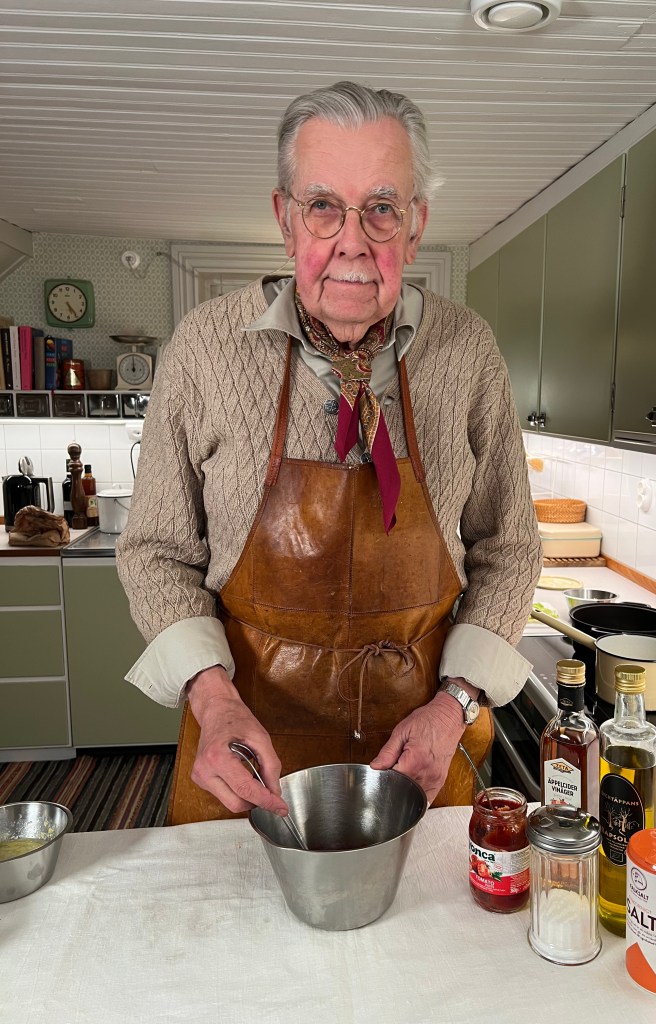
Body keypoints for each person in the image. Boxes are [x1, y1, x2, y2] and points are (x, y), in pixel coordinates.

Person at [115, 80, 542, 826]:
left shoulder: (468, 351)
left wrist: (455, 705)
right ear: (286, 220)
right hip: (245, 750)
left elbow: (509, 549)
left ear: (415, 226)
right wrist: (212, 700)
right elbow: (155, 551)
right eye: (323, 206)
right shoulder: (205, 348)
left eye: (382, 208)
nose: (353, 241)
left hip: (424, 752)